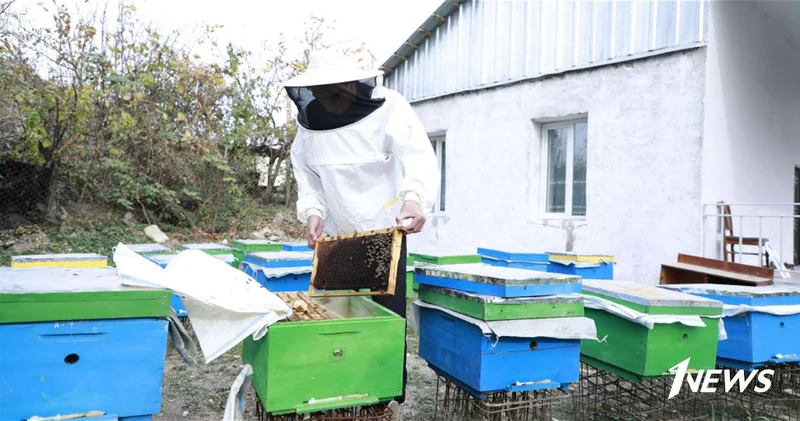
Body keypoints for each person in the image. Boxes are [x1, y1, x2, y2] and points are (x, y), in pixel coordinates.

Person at [284, 47, 440, 409]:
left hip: (386, 234)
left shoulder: (390, 108)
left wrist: (414, 198)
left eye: (333, 95)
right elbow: (306, 175)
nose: (327, 103)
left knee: (386, 322)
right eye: (320, 95)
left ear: (352, 86)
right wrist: (313, 212)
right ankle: (336, 392)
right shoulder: (309, 125)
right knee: (335, 320)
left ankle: (384, 401)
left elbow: (418, 155)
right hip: (337, 236)